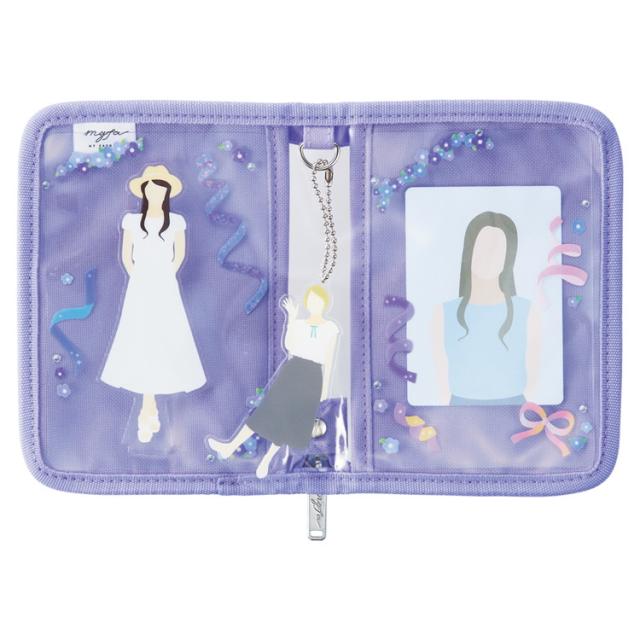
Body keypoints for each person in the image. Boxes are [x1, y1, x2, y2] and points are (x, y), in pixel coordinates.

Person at [101, 165, 206, 442]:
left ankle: (149, 410)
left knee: (164, 334)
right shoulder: (133, 222)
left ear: (167, 194)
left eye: (161, 191)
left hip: (165, 285)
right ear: (145, 193)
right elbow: (127, 255)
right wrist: (139, 276)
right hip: (140, 285)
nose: (156, 195)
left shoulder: (176, 222)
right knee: (141, 334)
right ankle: (149, 409)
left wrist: (165, 276)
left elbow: (179, 255)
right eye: (152, 190)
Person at [207, 284, 339, 478]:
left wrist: (325, 390)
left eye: (318, 301)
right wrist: (291, 318)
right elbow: (289, 346)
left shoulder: (330, 328)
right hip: (293, 369)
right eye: (311, 300)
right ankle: (230, 446)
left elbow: (329, 360)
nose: (314, 304)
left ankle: (267, 461)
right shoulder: (300, 324)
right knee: (266, 411)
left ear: (324, 304)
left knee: (289, 420)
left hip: (312, 375)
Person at [432, 211, 540, 405]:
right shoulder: (443, 314)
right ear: (469, 250)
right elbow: (440, 387)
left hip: (516, 414)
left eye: (497, 250)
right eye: (483, 248)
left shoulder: (527, 312)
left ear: (508, 257)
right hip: (458, 414)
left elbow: (534, 384)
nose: (489, 256)